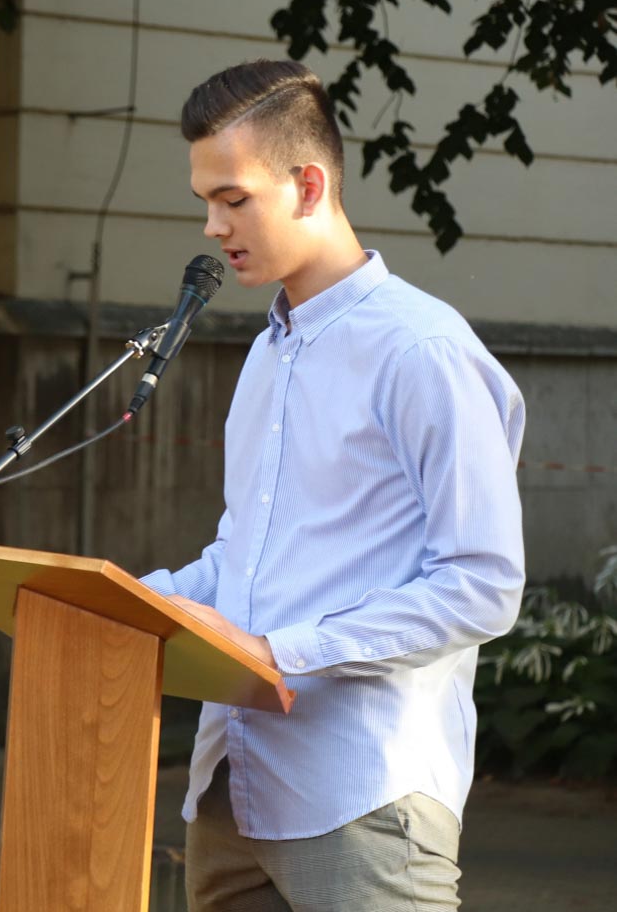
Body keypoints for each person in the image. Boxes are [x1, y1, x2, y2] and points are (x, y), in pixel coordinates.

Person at [139, 59, 526, 912]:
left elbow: (482, 584)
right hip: (229, 791)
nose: (212, 226)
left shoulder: (422, 351)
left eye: (232, 199)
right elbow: (244, 559)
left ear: (307, 185)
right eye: (205, 201)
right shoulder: (266, 352)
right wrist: (122, 604)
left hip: (361, 798)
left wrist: (281, 653)